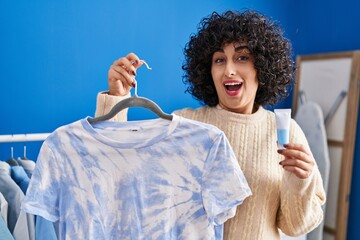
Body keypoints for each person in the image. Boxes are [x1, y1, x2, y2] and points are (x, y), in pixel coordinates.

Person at [94, 9, 326, 240]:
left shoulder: (286, 131)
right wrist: (117, 98)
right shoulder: (184, 123)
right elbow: (122, 170)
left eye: (242, 57)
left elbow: (295, 227)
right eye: (219, 60)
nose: (229, 70)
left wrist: (299, 182)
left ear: (262, 67)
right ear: (208, 70)